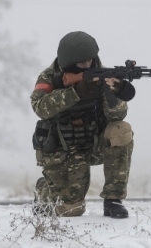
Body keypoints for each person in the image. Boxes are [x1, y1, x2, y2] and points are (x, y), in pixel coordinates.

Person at [31, 31, 135, 218]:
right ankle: (44, 190)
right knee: (71, 210)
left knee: (121, 130)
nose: (88, 65)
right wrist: (76, 92)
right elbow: (39, 107)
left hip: (93, 144)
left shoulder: (102, 73)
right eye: (82, 63)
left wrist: (115, 92)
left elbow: (117, 115)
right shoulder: (49, 77)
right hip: (62, 151)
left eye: (90, 60)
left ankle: (113, 200)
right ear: (68, 62)